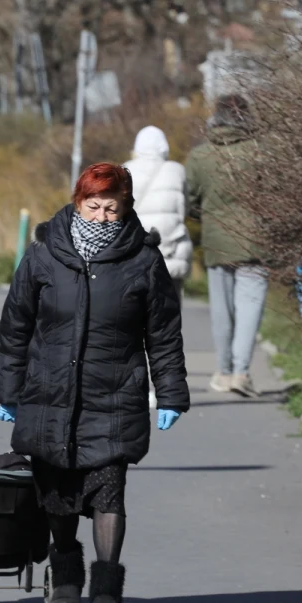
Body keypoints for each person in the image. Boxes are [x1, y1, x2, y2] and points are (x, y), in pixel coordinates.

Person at [0, 163, 189, 603]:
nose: (102, 216)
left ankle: (106, 593)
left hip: (114, 396)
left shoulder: (143, 260)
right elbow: (15, 326)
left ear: (126, 208)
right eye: (93, 206)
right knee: (57, 495)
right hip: (49, 394)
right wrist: (9, 390)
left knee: (109, 493)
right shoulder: (44, 254)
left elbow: (163, 333)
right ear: (77, 202)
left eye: (111, 208)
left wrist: (171, 393)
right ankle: (65, 576)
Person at [186, 94, 267, 398]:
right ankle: (241, 373)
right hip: (255, 243)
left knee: (222, 311)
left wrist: (204, 214)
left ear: (215, 119)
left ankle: (223, 371)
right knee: (249, 309)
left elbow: (190, 199)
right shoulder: (262, 152)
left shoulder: (200, 156)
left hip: (216, 241)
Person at [123, 125, 193, 409]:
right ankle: (162, 388)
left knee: (131, 322)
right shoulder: (177, 171)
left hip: (134, 257)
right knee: (165, 326)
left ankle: (135, 386)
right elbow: (184, 209)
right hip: (170, 255)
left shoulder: (124, 170)